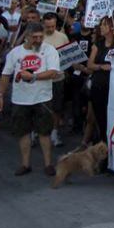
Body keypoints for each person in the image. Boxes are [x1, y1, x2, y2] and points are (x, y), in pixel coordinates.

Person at [0, 22, 60, 176]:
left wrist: (34, 76)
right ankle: (25, 164)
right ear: (27, 37)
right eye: (34, 37)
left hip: (42, 98)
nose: (38, 40)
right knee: (23, 132)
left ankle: (48, 164)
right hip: (20, 99)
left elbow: (53, 72)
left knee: (44, 132)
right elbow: (6, 75)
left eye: (40, 37)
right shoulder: (15, 53)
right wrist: (0, 96)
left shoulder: (49, 50)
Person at [86, 18, 114, 146]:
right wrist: (101, 67)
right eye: (101, 24)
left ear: (112, 27)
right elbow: (90, 64)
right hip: (98, 85)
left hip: (113, 88)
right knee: (101, 118)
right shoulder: (98, 44)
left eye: (104, 25)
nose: (101, 27)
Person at [42, 12, 69, 147]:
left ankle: (54, 132)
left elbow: (67, 57)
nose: (50, 29)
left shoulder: (63, 37)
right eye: (47, 27)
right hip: (42, 80)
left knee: (57, 107)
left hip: (58, 78)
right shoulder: (38, 37)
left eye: (53, 26)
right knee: (41, 107)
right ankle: (38, 131)